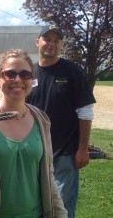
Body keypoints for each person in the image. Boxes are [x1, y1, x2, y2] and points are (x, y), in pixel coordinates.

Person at [0, 49, 67, 218]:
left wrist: (59, 213)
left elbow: (48, 173)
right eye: (10, 74)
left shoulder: (42, 120)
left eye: (25, 74)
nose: (17, 80)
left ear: (32, 80)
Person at [26, 25, 96, 218]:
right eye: (47, 39)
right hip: (34, 152)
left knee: (59, 208)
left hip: (64, 153)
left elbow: (85, 112)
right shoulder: (27, 73)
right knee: (34, 204)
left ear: (61, 45)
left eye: (56, 40)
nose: (51, 44)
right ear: (37, 42)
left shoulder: (73, 71)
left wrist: (82, 149)